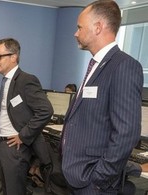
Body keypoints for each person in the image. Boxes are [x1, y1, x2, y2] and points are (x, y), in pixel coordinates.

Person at [61, 1, 144, 194]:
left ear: (98, 27)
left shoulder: (124, 66)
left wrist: (100, 178)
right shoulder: (95, 65)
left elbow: (126, 132)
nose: (75, 33)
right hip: (77, 175)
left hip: (94, 183)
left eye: (79, 27)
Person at [0, 38, 54, 194]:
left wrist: (23, 135)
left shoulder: (26, 80)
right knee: (8, 189)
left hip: (16, 146)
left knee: (15, 191)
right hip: (3, 144)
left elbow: (46, 110)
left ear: (13, 57)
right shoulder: (6, 81)